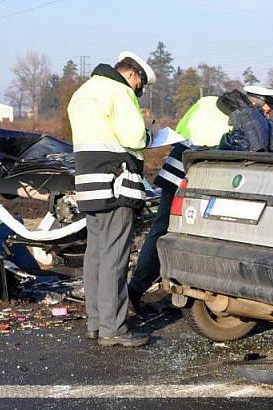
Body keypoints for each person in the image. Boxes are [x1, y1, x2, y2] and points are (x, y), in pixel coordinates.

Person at [68, 51, 156, 347]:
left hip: (88, 184)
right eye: (139, 87)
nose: (137, 92)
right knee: (114, 257)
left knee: (95, 254)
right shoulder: (119, 91)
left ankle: (95, 322)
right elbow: (135, 138)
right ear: (132, 76)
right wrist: (148, 131)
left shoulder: (82, 92)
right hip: (115, 185)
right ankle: (114, 328)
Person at [128, 94, 230, 309]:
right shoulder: (240, 116)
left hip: (178, 166)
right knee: (179, 232)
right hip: (197, 172)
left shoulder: (205, 103)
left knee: (161, 230)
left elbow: (182, 129)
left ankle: (136, 289)